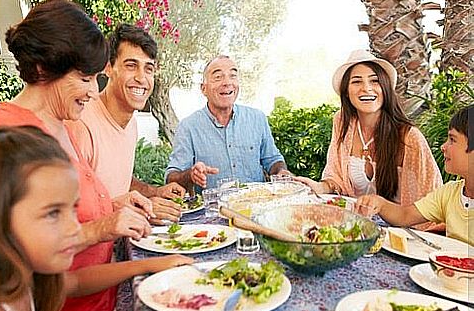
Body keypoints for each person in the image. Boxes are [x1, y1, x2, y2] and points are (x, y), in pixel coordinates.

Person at [0, 0, 157, 311]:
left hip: (100, 305)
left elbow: (72, 211)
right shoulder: (7, 132)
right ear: (42, 69)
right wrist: (102, 228)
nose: (95, 92)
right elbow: (11, 259)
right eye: (84, 79)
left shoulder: (63, 123)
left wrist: (116, 204)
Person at [0, 126, 193, 311]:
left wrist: (148, 264)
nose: (74, 227)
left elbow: (76, 282)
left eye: (73, 209)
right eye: (53, 213)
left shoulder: (29, 280)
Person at [294, 50, 442, 229]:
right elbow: (337, 178)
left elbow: (429, 200)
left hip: (402, 237)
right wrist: (320, 187)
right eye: (356, 82)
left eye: (374, 81)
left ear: (385, 88)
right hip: (352, 229)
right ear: (346, 92)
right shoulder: (342, 122)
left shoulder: (409, 137)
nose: (366, 88)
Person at [67, 23, 184, 225]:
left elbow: (117, 183)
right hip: (92, 254)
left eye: (149, 69)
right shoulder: (81, 124)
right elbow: (68, 213)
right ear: (109, 68)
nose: (141, 78)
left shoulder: (131, 124)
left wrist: (154, 192)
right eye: (131, 65)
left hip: (121, 242)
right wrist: (141, 210)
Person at [165, 55, 291, 192]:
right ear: (203, 89)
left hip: (257, 206)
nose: (227, 82)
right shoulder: (188, 127)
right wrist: (190, 175)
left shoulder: (257, 118)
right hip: (214, 211)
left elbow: (273, 160)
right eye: (218, 77)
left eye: (232, 75)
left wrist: (281, 171)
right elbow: (171, 177)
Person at [355, 106, 474, 246]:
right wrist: (379, 203)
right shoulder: (449, 193)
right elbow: (405, 215)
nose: (443, 146)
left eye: (452, 140)